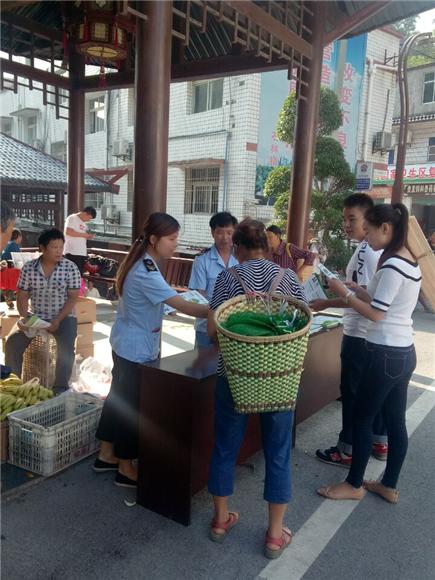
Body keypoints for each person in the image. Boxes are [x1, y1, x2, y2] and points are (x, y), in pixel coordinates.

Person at [207, 218, 307, 559]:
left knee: (224, 449)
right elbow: (302, 322)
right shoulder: (289, 277)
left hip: (234, 377)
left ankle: (221, 521)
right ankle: (275, 536)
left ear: (237, 248)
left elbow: (211, 331)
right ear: (268, 246)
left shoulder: (226, 278)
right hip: (279, 380)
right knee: (278, 454)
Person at [94, 212, 209, 488]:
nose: (175, 244)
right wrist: (216, 310)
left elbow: (163, 300)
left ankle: (106, 454)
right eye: (171, 239)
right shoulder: (145, 269)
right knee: (132, 407)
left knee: (118, 399)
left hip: (126, 343)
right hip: (135, 348)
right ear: (154, 239)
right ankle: (125, 467)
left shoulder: (144, 263)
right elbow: (183, 305)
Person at [317, 203, 421, 504]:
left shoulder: (390, 265)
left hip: (384, 354)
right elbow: (382, 302)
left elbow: (376, 315)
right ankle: (389, 484)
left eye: (370, 230)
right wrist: (356, 290)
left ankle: (353, 484)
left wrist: (343, 291)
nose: (367, 237)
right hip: (403, 352)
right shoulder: (408, 261)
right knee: (395, 420)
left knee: (362, 419)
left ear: (385, 229)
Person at [311, 193, 387, 466]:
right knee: (371, 392)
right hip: (369, 335)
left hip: (359, 334)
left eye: (351, 219)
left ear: (369, 219)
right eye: (344, 219)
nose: (346, 224)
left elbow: (363, 297)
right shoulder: (373, 249)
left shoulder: (368, 252)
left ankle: (347, 449)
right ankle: (379, 441)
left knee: (353, 392)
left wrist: (326, 301)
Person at [5, 228, 81, 393]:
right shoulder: (29, 268)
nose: (59, 251)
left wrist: (58, 320)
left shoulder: (71, 267)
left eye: (61, 247)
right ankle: (12, 386)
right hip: (36, 317)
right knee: (12, 342)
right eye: (54, 247)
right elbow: (22, 296)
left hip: (64, 317)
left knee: (67, 346)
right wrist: (24, 317)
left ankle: (60, 388)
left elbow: (73, 298)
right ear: (42, 248)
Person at [188, 212, 238, 348]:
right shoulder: (202, 260)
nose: (225, 237)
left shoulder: (242, 258)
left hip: (235, 326)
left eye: (229, 232)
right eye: (220, 232)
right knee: (203, 366)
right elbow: (199, 294)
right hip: (206, 325)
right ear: (212, 233)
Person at [64, 206, 96, 275]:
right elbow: (68, 232)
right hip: (72, 252)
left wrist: (87, 236)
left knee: (79, 276)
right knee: (72, 276)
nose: (89, 220)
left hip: (81, 253)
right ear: (85, 213)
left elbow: (80, 235)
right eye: (89, 218)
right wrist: (85, 235)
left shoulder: (83, 223)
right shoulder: (72, 218)